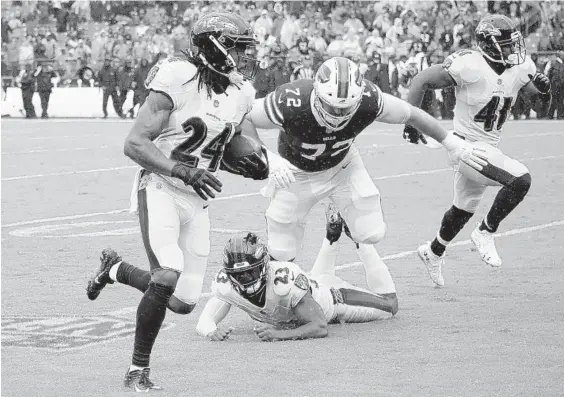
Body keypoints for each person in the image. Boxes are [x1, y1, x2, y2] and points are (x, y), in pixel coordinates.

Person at [85, 12, 266, 392]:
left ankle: (114, 268)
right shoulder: (176, 77)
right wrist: (183, 172)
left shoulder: (240, 92)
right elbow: (134, 143)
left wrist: (254, 161)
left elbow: (230, 141)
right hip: (161, 186)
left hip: (196, 200)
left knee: (183, 302)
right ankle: (137, 370)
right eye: (238, 47)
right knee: (167, 273)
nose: (247, 57)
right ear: (215, 46)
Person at [242, 56, 487, 275]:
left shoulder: (369, 99)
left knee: (372, 233)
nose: (338, 112)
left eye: (346, 107)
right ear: (316, 94)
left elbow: (412, 114)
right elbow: (245, 116)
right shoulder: (291, 100)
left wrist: (451, 143)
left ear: (358, 98)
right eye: (332, 105)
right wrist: (266, 157)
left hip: (342, 167)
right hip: (294, 174)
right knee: (281, 252)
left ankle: (337, 216)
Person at [402, 15, 552, 287]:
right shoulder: (469, 64)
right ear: (491, 44)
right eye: (506, 45)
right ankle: (485, 231)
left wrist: (546, 91)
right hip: (464, 146)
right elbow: (421, 80)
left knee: (462, 209)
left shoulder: (519, 68)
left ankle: (433, 251)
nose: (512, 50)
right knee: (520, 179)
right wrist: (411, 121)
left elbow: (541, 107)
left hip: (488, 147)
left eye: (512, 44)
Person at [196, 205, 399, 342]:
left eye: (249, 273)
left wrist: (280, 335)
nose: (243, 280)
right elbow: (205, 322)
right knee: (320, 278)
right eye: (238, 275)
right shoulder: (227, 285)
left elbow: (319, 326)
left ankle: (358, 240)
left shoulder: (283, 282)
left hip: (334, 300)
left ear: (263, 266)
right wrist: (213, 332)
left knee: (391, 305)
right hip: (313, 286)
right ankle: (331, 237)